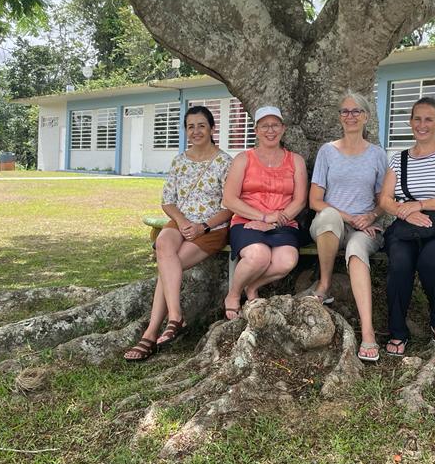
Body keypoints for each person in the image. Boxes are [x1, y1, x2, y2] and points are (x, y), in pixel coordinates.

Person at [124, 105, 232, 361]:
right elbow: (167, 201)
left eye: (201, 126)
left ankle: (150, 334)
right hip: (181, 223)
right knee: (164, 244)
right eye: (190, 126)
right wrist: (182, 221)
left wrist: (202, 226)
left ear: (212, 128)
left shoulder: (225, 162)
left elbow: (229, 207)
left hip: (211, 228)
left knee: (169, 266)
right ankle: (175, 316)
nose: (196, 131)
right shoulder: (180, 161)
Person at [378, 97, 435, 356]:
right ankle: (397, 330)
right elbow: (385, 199)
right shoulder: (399, 160)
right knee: (400, 263)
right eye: (417, 119)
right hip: (407, 228)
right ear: (410, 123)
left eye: (429, 119)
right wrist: (404, 213)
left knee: (431, 260)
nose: (422, 124)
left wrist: (419, 205)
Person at [308, 92, 389, 362]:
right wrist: (348, 217)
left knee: (356, 247)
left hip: (364, 229)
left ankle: (368, 334)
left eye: (356, 112)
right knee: (330, 216)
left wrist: (372, 215)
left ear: (366, 117)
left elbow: (384, 201)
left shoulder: (377, 154)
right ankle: (325, 284)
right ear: (339, 117)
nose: (350, 116)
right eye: (345, 111)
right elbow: (315, 201)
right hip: (330, 226)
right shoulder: (327, 151)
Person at [222, 106, 308, 319]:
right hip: (246, 221)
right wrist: (262, 217)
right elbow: (229, 199)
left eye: (275, 125)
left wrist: (274, 222)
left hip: (283, 223)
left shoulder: (295, 161)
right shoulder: (243, 159)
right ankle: (233, 295)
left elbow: (299, 200)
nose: (270, 130)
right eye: (265, 126)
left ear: (283, 128)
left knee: (286, 261)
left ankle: (252, 287)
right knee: (258, 256)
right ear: (256, 130)